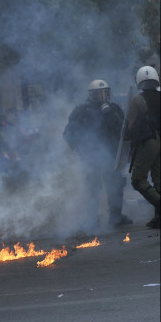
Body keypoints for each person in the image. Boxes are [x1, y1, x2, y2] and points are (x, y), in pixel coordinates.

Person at [63, 79, 132, 229]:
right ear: (91, 94)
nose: (102, 95)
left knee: (116, 185)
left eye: (104, 92)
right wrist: (77, 149)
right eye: (99, 93)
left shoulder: (113, 109)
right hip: (91, 157)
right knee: (93, 188)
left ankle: (116, 216)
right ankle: (92, 219)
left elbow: (122, 129)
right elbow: (69, 133)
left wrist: (109, 113)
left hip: (111, 156)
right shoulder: (82, 111)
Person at [126, 66, 160, 229]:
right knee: (159, 181)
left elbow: (131, 127)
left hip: (148, 143)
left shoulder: (136, 100)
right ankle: (158, 219)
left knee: (138, 180)